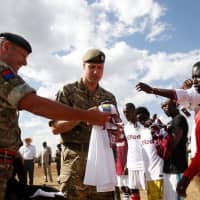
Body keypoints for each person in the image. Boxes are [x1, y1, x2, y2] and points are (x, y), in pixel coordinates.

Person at [0, 32, 110, 200]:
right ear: (6, 47)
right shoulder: (2, 72)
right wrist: (86, 115)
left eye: (100, 67)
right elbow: (34, 104)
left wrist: (15, 153)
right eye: (22, 55)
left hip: (101, 165)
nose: (25, 62)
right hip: (74, 164)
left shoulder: (108, 97)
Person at [50, 48, 119, 200]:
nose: (96, 71)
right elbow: (55, 128)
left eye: (99, 67)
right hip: (75, 160)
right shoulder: (68, 91)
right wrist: (83, 116)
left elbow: (116, 130)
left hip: (102, 162)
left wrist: (117, 132)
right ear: (83, 66)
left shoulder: (109, 97)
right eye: (92, 67)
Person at [160, 99, 188, 200]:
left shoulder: (179, 119)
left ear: (175, 104)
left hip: (177, 168)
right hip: (169, 167)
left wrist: (161, 145)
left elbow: (173, 144)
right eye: (162, 107)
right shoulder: (171, 122)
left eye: (166, 106)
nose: (164, 109)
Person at [135, 106, 164, 200]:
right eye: (140, 120)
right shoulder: (141, 132)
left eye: (144, 118)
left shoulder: (157, 126)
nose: (143, 122)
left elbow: (166, 139)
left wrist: (155, 124)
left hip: (159, 172)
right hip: (148, 175)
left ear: (148, 115)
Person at [121, 103, 145, 200]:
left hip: (144, 163)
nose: (126, 115)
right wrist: (127, 163)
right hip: (132, 163)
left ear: (134, 111)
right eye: (124, 112)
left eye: (127, 112)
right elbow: (129, 146)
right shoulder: (126, 128)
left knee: (150, 189)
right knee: (134, 190)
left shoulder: (143, 125)